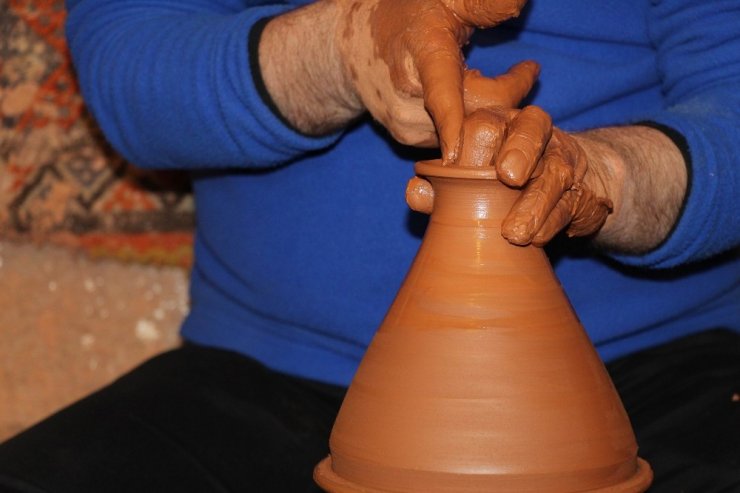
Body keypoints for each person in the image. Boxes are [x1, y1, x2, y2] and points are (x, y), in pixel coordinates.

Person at [1, 0, 738, 491]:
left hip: (657, 376)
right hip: (262, 377)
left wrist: (602, 176)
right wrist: (345, 50)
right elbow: (131, 59)